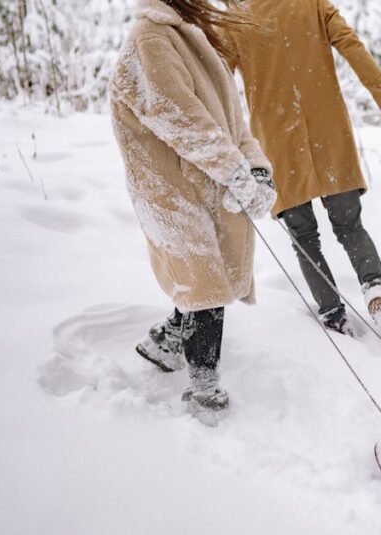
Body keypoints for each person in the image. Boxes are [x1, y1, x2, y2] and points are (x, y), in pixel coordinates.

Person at [109, 0, 277, 417]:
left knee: (209, 275)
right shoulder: (150, 40)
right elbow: (182, 121)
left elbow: (233, 124)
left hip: (202, 179)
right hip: (168, 188)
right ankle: (205, 389)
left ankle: (164, 343)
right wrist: (235, 172)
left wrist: (257, 171)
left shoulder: (194, 38)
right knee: (204, 282)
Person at [224, 0, 381, 348]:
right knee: (349, 224)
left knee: (304, 237)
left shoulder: (237, 19)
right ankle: (375, 286)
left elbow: (218, 81)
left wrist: (219, 140)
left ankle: (333, 315)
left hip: (278, 141)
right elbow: (351, 45)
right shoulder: (311, 4)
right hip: (328, 135)